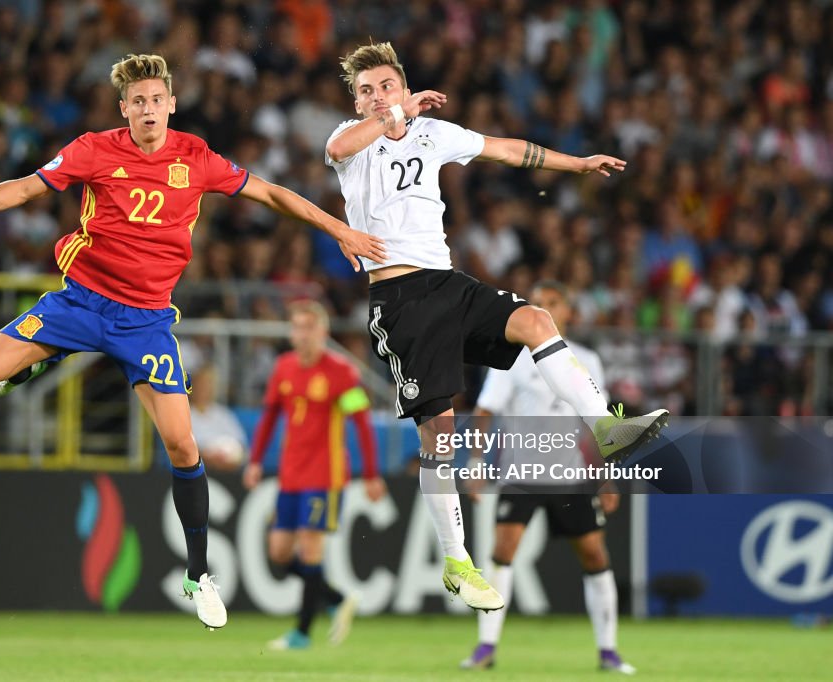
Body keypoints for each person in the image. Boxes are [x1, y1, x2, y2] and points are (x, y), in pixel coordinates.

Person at [0, 53, 386, 630]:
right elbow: (25, 189)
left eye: (155, 100)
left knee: (184, 446)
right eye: (136, 101)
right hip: (81, 302)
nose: (147, 109)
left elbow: (269, 194)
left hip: (145, 321)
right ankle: (35, 363)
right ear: (124, 109)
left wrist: (340, 229)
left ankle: (199, 573)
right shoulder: (95, 148)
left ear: (170, 103)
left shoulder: (195, 157)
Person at [324, 42, 667, 612]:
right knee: (441, 435)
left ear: (402, 85)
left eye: (386, 85)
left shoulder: (433, 135)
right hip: (399, 297)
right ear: (356, 102)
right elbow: (339, 144)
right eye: (366, 91)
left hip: (448, 282)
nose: (376, 97)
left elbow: (508, 151)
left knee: (536, 319)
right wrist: (397, 111)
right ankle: (457, 559)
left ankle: (604, 427)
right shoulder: (350, 142)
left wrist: (576, 164)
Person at [459, 281, 636, 674]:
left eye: (552, 303)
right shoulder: (512, 360)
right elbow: (485, 412)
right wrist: (474, 465)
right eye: (538, 303)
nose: (544, 308)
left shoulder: (586, 358)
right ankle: (486, 646)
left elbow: (596, 423)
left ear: (569, 311)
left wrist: (605, 477)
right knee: (502, 551)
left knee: (594, 555)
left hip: (570, 475)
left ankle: (608, 651)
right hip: (520, 475)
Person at [243, 300, 387, 650]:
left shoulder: (341, 372)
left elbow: (362, 425)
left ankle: (301, 634)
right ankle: (335, 598)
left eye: (309, 327)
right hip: (290, 474)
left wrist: (370, 474)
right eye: (296, 327)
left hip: (325, 475)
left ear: (323, 332)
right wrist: (256, 460)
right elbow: (269, 417)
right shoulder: (284, 368)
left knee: (309, 549)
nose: (302, 334)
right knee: (278, 552)